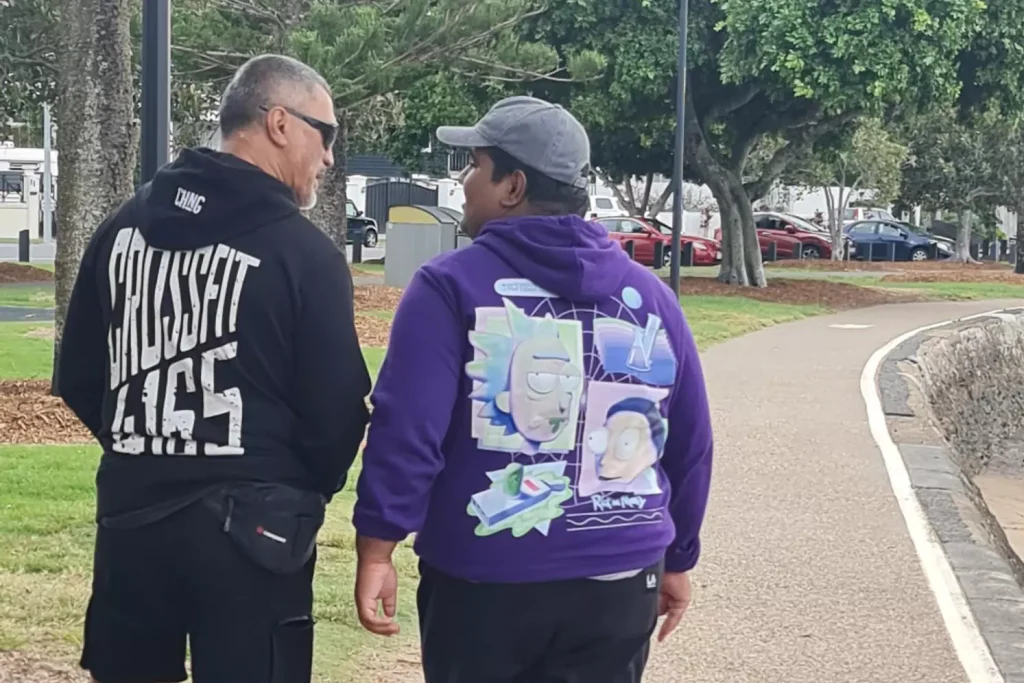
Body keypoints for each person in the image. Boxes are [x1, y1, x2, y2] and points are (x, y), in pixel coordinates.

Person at [353, 96, 714, 683]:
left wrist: (378, 546)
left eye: (475, 165)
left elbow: (408, 429)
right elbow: (690, 442)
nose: (463, 182)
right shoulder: (652, 298)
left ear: (513, 186)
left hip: (486, 579)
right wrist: (677, 557)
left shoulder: (448, 287)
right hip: (621, 576)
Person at [57, 54, 371, 683]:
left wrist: (149, 445)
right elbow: (337, 411)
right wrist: (298, 489)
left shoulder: (120, 229)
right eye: (325, 135)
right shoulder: (304, 253)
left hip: (131, 521)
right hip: (257, 534)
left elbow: (82, 376)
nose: (329, 157)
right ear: (279, 123)